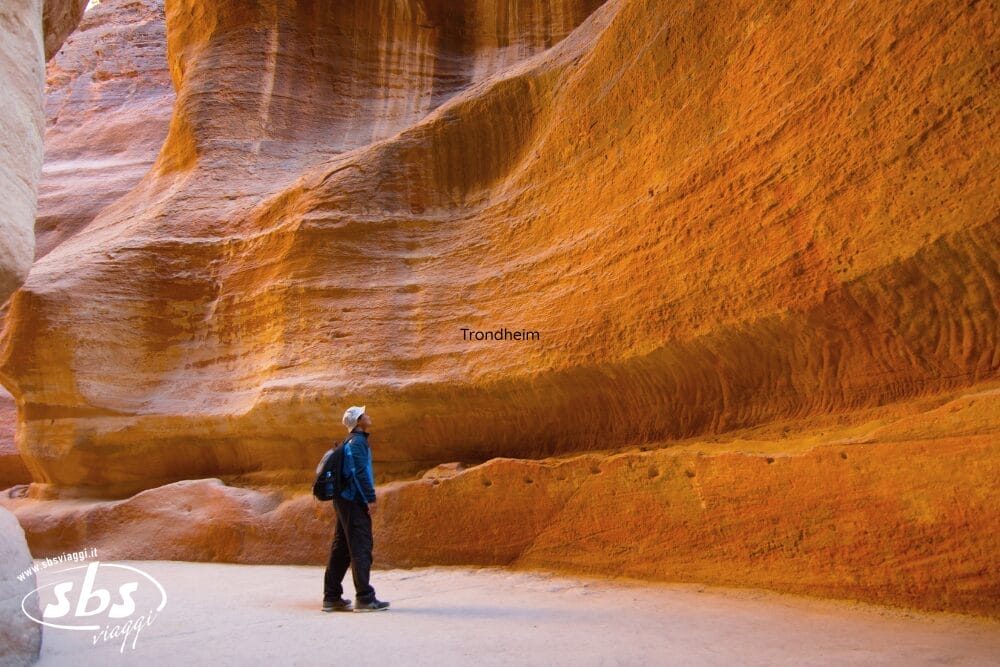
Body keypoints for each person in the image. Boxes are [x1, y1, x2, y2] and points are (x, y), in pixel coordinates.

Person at [322, 405, 390, 613]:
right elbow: (360, 473)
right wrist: (369, 499)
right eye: (364, 414)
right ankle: (365, 598)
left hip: (343, 499)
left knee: (342, 547)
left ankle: (331, 597)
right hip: (353, 499)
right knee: (361, 545)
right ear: (358, 421)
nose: (368, 416)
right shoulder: (359, 442)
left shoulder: (349, 442)